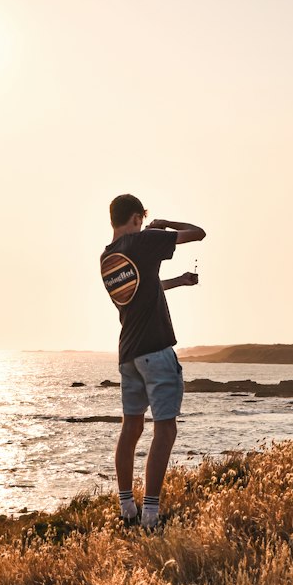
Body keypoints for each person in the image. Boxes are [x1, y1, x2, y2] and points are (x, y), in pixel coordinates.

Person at [100, 194, 206, 529]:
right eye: (141, 221)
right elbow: (198, 232)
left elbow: (148, 286)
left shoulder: (108, 257)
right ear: (135, 217)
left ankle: (127, 508)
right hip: (156, 351)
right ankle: (151, 514)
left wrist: (180, 281)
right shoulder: (144, 239)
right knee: (165, 429)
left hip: (128, 355)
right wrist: (163, 226)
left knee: (130, 428)